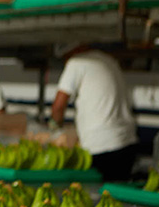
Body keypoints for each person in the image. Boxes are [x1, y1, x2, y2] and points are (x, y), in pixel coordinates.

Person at [50, 44, 139, 181]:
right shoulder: (109, 60)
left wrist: (55, 129)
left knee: (99, 198)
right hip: (127, 143)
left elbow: (58, 106)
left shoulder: (76, 62)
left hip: (101, 148)